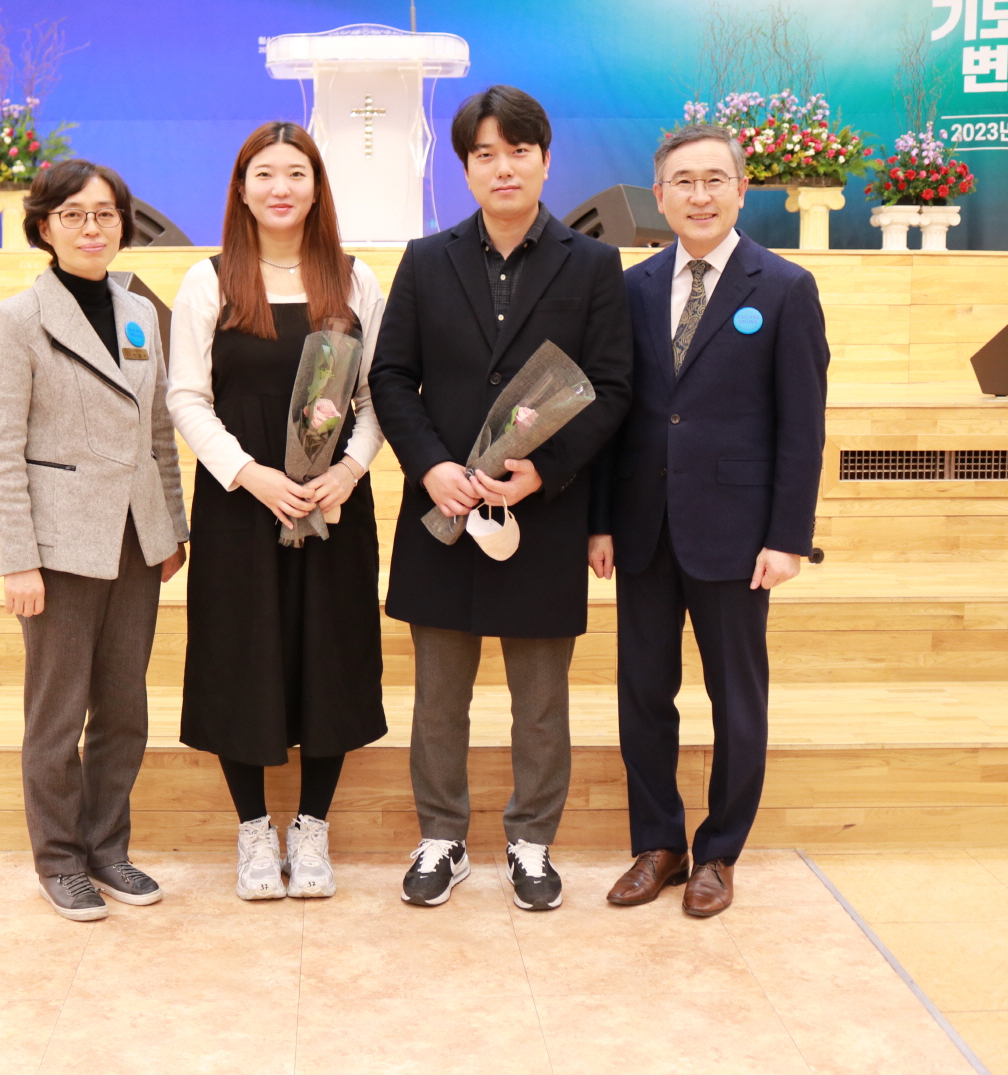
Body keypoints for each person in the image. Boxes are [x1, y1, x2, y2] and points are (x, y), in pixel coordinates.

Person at [369, 86, 632, 912]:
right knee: (438, 698)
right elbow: (389, 375)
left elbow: (612, 388)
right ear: (465, 169)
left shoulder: (591, 264)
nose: (502, 167)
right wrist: (430, 466)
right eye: (484, 154)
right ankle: (441, 838)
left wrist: (543, 471)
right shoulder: (425, 259)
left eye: (518, 151)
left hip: (540, 517)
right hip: (443, 511)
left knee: (540, 703)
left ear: (545, 160)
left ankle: (531, 842)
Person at [590, 123, 829, 917]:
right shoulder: (630, 287)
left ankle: (719, 851)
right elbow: (613, 415)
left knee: (736, 698)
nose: (698, 195)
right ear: (658, 196)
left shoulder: (784, 287)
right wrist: (599, 520)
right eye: (682, 182)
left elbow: (801, 424)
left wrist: (787, 536)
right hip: (643, 527)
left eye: (713, 180)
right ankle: (657, 844)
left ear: (740, 190)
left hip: (736, 533)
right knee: (642, 693)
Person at [168, 121, 387, 901]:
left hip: (333, 507)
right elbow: (186, 397)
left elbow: (377, 397)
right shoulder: (209, 281)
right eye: (265, 173)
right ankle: (255, 831)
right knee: (240, 655)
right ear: (241, 188)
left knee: (330, 656)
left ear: (317, 187)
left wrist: (349, 471)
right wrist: (249, 474)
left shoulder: (354, 280)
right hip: (240, 504)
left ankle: (312, 827)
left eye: (296, 173)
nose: (281, 187)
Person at [0, 159, 190, 921]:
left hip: (135, 538)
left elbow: (158, 431)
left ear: (123, 225)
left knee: (124, 708)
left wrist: (171, 527)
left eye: (104, 214)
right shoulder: (16, 320)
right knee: (57, 713)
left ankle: (107, 848)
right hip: (59, 547)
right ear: (44, 226)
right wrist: (18, 560)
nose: (91, 227)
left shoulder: (139, 312)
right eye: (72, 215)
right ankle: (60, 859)